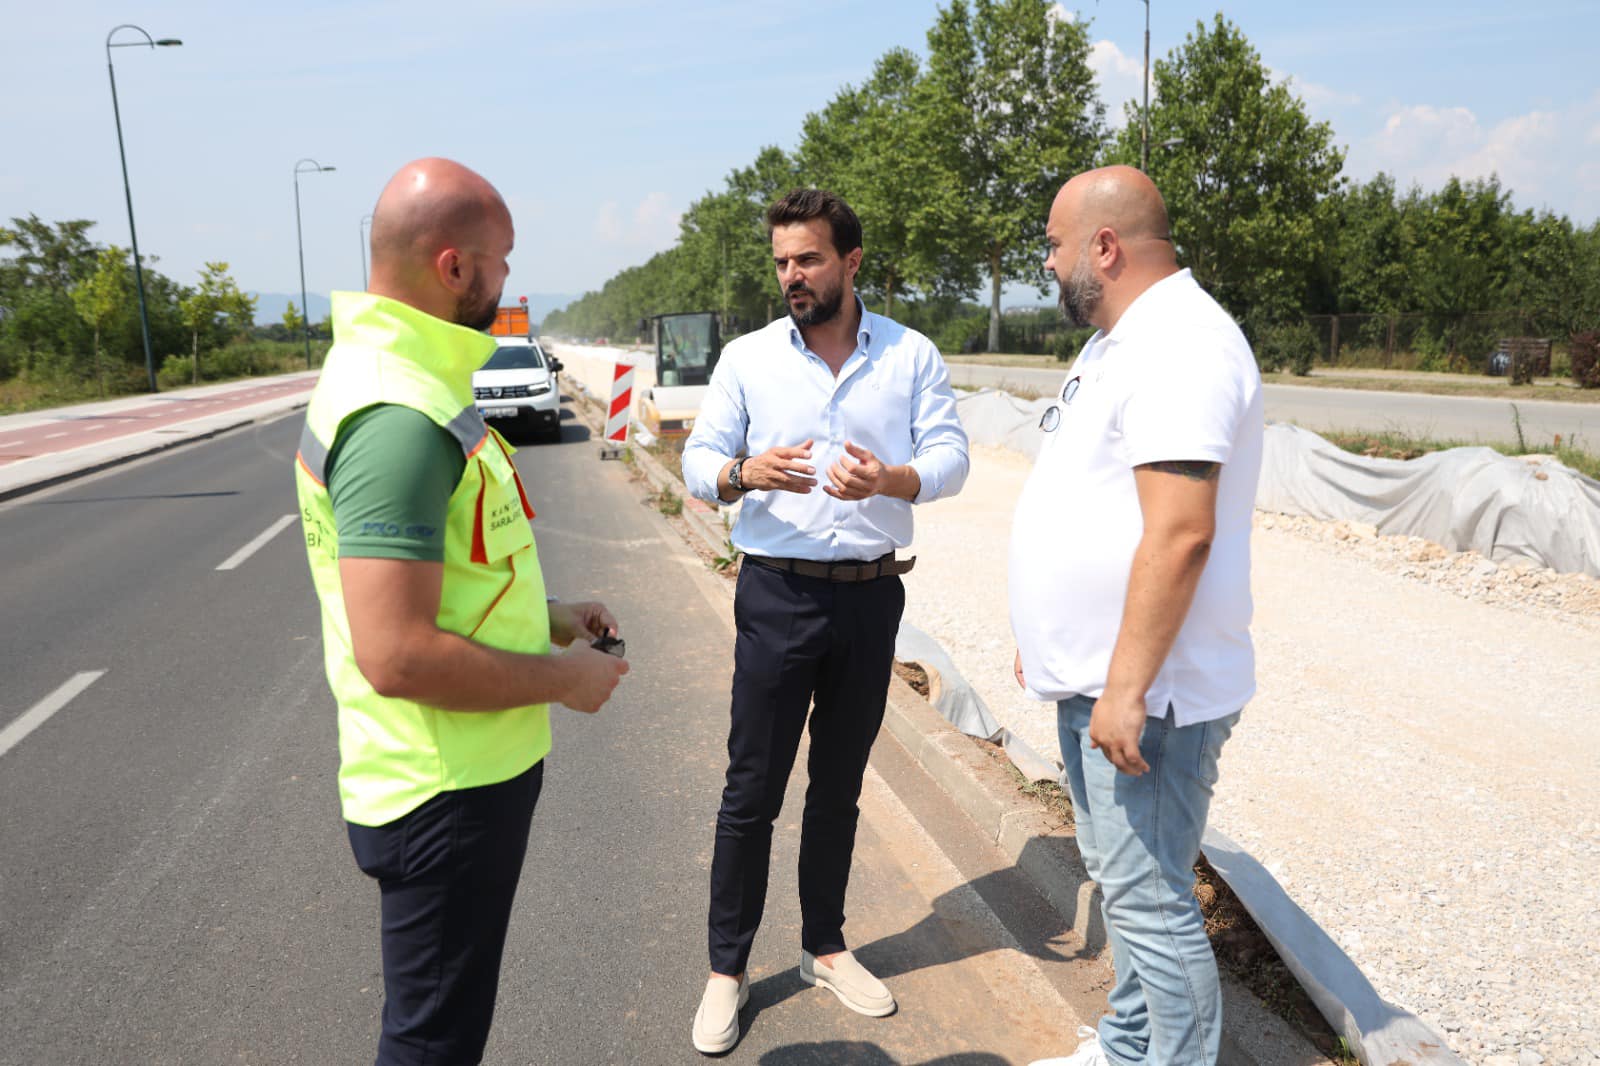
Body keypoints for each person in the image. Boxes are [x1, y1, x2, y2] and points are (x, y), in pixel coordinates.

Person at [293, 157, 630, 1066]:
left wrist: (549, 616)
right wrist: (565, 681)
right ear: (453, 267)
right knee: (432, 1042)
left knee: (444, 1026)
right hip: (443, 790)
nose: (509, 279)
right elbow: (398, 653)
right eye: (502, 260)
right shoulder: (399, 415)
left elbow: (453, 571)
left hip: (457, 776)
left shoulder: (405, 379)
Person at [681, 188, 970, 1054]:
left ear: (850, 262)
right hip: (777, 595)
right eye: (780, 262)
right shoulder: (748, 359)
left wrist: (892, 480)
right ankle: (725, 973)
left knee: (840, 786)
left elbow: (951, 457)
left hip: (873, 595)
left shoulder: (910, 355)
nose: (791, 276)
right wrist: (744, 470)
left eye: (806, 259)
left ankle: (825, 948)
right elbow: (698, 462)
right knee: (751, 791)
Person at [1010, 166, 1264, 1066]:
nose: (1047, 261)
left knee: (1151, 903)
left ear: (1105, 248)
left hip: (1149, 698)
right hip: (1103, 680)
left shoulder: (1181, 346)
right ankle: (1125, 1047)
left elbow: (1182, 533)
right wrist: (1047, 639)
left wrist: (1123, 687)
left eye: (1053, 242)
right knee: (1128, 889)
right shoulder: (1121, 341)